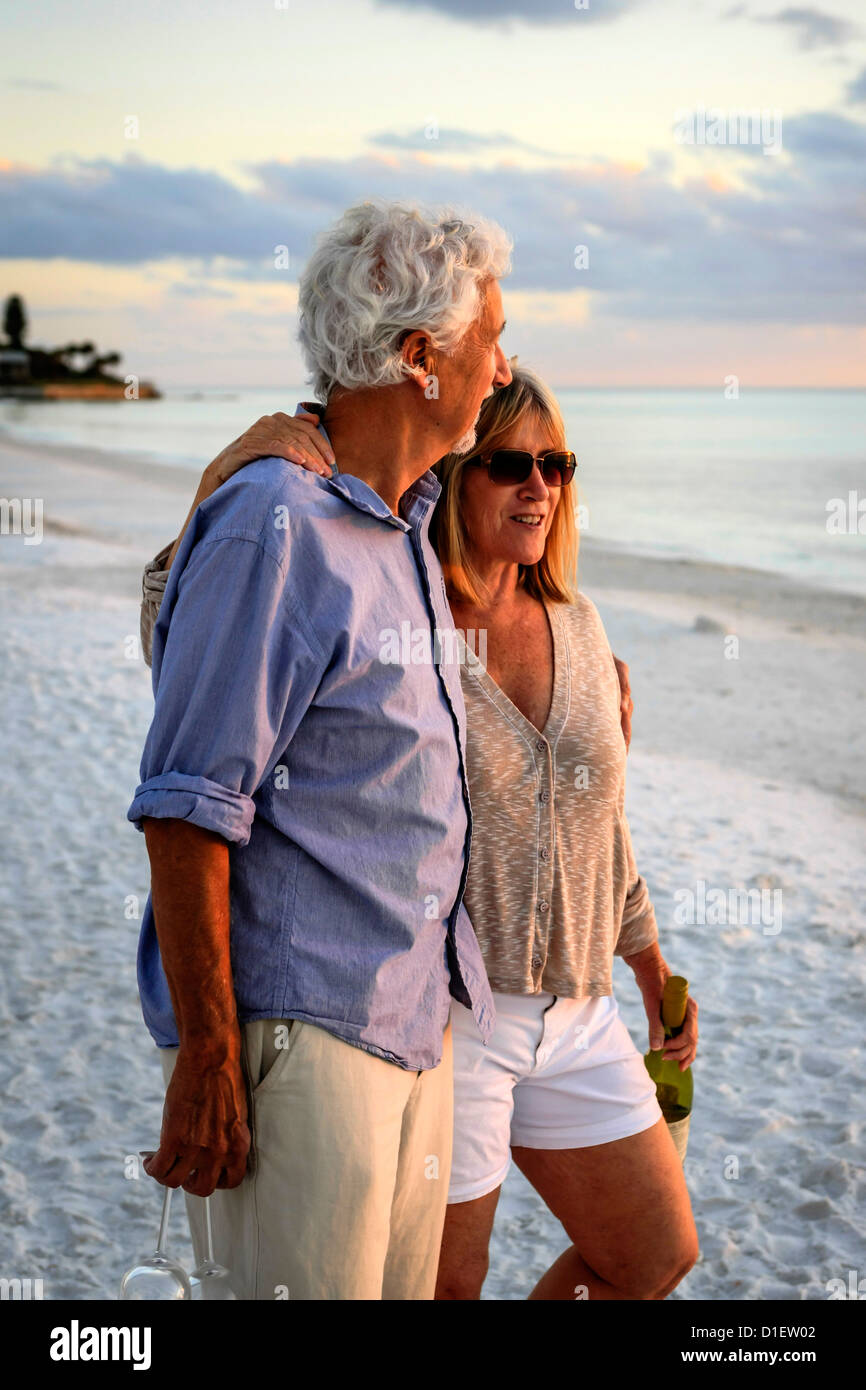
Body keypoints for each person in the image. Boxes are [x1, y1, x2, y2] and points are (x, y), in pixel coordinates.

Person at [141, 364, 700, 1300]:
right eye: (511, 463)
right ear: (455, 473)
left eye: (557, 464)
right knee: (446, 1288)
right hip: (454, 1018)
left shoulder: (583, 626)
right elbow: (190, 624)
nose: (540, 486)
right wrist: (225, 474)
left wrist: (649, 966)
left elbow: (600, 826)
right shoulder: (405, 603)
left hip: (582, 1005)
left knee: (653, 1254)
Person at [127, 199, 514, 1301]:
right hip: (302, 1039)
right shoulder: (275, 519)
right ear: (418, 357)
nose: (503, 369)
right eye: (491, 340)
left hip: (410, 1023)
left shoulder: (397, 529)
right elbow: (186, 801)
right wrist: (210, 1056)